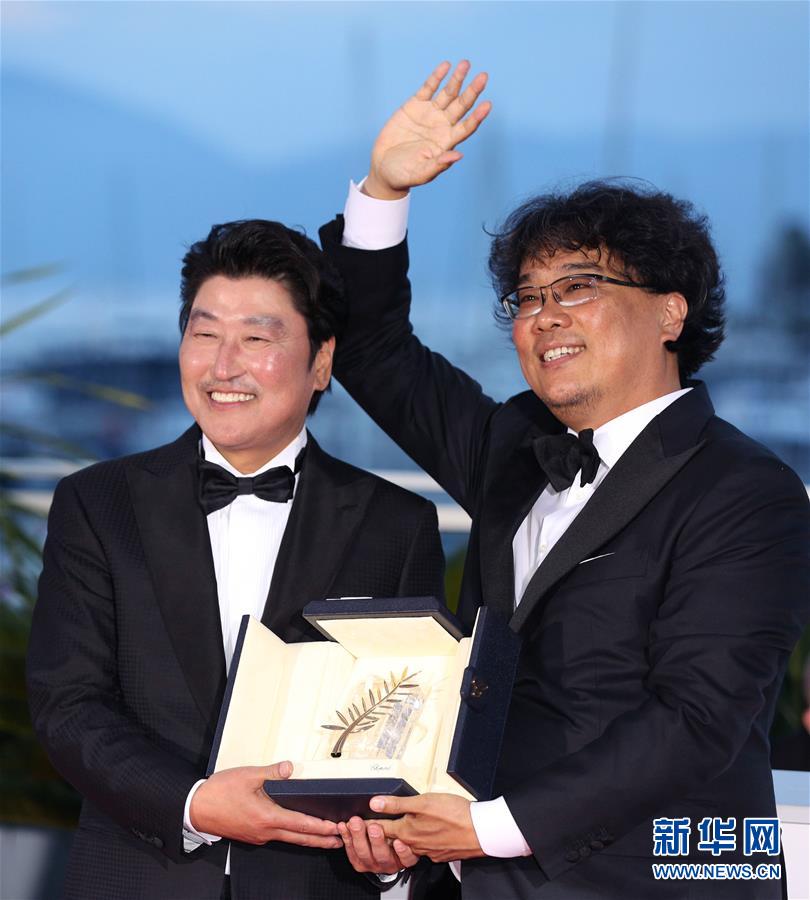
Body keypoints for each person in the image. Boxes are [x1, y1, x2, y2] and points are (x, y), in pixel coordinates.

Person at [318, 62, 810, 899]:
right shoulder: (514, 447)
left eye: (579, 288)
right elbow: (373, 350)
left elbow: (696, 721)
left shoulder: (746, 491)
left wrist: (486, 829)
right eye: (527, 296)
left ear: (670, 311)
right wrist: (383, 192)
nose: (544, 315)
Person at [26, 219, 445, 900]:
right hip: (135, 878)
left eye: (256, 337)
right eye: (205, 334)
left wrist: (390, 858)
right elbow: (68, 705)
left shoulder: (396, 524)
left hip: (316, 884)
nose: (223, 367)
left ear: (321, 362)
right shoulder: (98, 504)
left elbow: (408, 727)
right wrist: (192, 802)